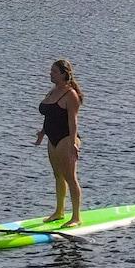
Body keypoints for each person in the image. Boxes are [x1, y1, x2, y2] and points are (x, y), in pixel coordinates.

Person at [35, 58, 84, 227]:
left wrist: (73, 143)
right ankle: (59, 211)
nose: (50, 74)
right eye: (51, 71)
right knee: (57, 176)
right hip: (52, 138)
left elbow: (73, 121)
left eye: (54, 72)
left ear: (64, 74)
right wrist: (42, 133)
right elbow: (49, 115)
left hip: (66, 138)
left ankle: (76, 217)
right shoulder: (52, 91)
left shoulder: (71, 94)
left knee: (70, 177)